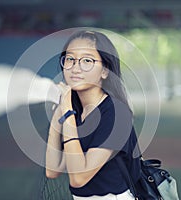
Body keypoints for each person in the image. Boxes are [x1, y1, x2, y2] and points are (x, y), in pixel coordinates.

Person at [45, 30, 140, 199]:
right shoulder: (76, 111)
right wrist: (56, 120)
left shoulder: (117, 114)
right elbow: (53, 170)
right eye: (70, 59)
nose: (75, 68)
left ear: (105, 71)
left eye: (87, 60)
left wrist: (67, 113)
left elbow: (79, 178)